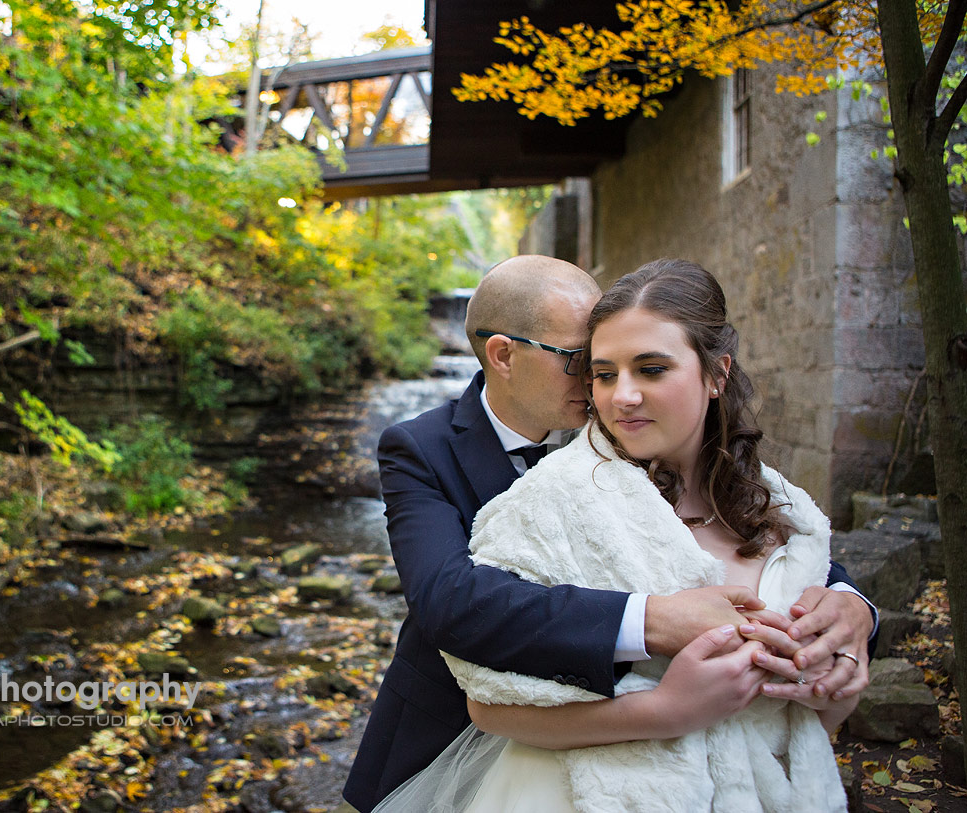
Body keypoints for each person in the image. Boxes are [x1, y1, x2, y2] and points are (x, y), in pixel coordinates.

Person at [343, 255, 875, 812]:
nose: (612, 391)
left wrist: (853, 604)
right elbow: (449, 600)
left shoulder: (639, 427)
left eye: (624, 366)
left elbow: (768, 548)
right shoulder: (425, 449)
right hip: (460, 736)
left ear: (716, 373)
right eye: (585, 362)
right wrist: (654, 621)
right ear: (503, 354)